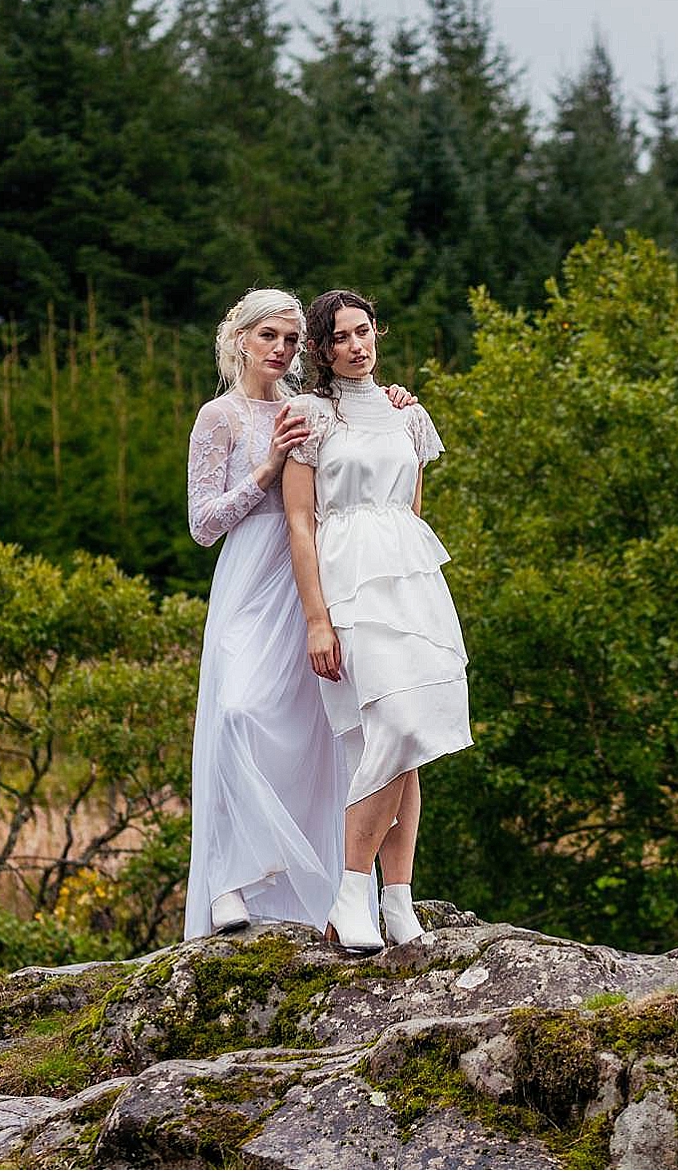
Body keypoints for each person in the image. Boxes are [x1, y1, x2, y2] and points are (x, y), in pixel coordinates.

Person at [182, 288, 416, 940]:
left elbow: (361, 447)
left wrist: (392, 402)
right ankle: (230, 878)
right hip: (250, 576)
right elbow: (203, 525)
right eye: (268, 337)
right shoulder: (219, 417)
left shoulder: (311, 406)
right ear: (240, 341)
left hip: (314, 576)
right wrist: (266, 468)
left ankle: (324, 897)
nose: (281, 350)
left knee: (321, 735)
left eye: (291, 339)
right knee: (238, 713)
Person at [283, 289, 471, 954]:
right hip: (347, 582)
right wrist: (317, 619)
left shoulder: (408, 415)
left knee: (409, 739)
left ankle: (397, 900)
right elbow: (299, 522)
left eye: (364, 331)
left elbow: (411, 509)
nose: (357, 345)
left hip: (410, 584)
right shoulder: (310, 415)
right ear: (321, 349)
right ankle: (349, 892)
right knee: (391, 728)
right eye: (341, 337)